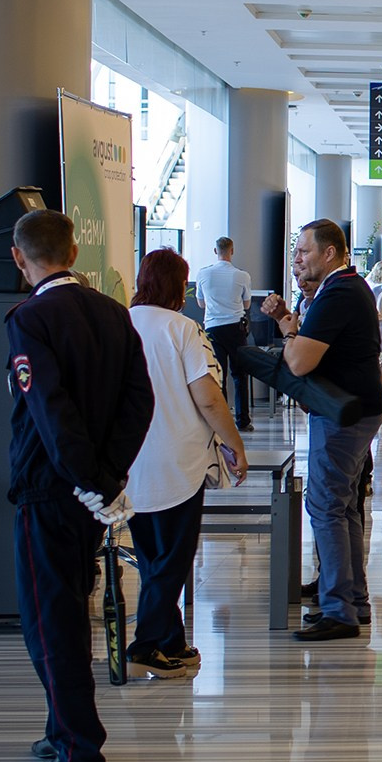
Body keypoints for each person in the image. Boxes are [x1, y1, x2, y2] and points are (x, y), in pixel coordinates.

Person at [3, 207, 155, 762]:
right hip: (92, 493)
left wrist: (85, 477)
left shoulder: (29, 319)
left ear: (21, 258)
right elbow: (139, 402)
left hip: (50, 489)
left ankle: (77, 749)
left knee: (50, 621)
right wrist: (109, 476)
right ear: (73, 251)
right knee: (68, 610)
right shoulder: (114, 314)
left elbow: (48, 409)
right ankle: (59, 728)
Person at [123, 249, 246, 680]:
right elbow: (209, 397)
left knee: (152, 557)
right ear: (180, 287)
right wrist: (235, 446)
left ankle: (171, 644)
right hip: (179, 461)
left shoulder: (121, 324)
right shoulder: (183, 329)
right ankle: (142, 648)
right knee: (174, 559)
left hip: (129, 463)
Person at [268, 220, 382, 641]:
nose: (297, 258)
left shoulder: (339, 292)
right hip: (351, 410)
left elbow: (299, 362)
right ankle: (351, 598)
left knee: (326, 505)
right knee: (342, 504)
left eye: (304, 251)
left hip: (343, 414)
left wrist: (288, 330)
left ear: (331, 253)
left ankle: (340, 609)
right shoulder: (344, 290)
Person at [193, 235, 254, 432]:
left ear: (215, 251)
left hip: (212, 328)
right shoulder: (242, 275)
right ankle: (243, 421)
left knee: (218, 374)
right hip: (235, 328)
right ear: (232, 251)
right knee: (239, 375)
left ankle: (221, 419)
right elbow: (247, 304)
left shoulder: (203, 274)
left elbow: (201, 303)